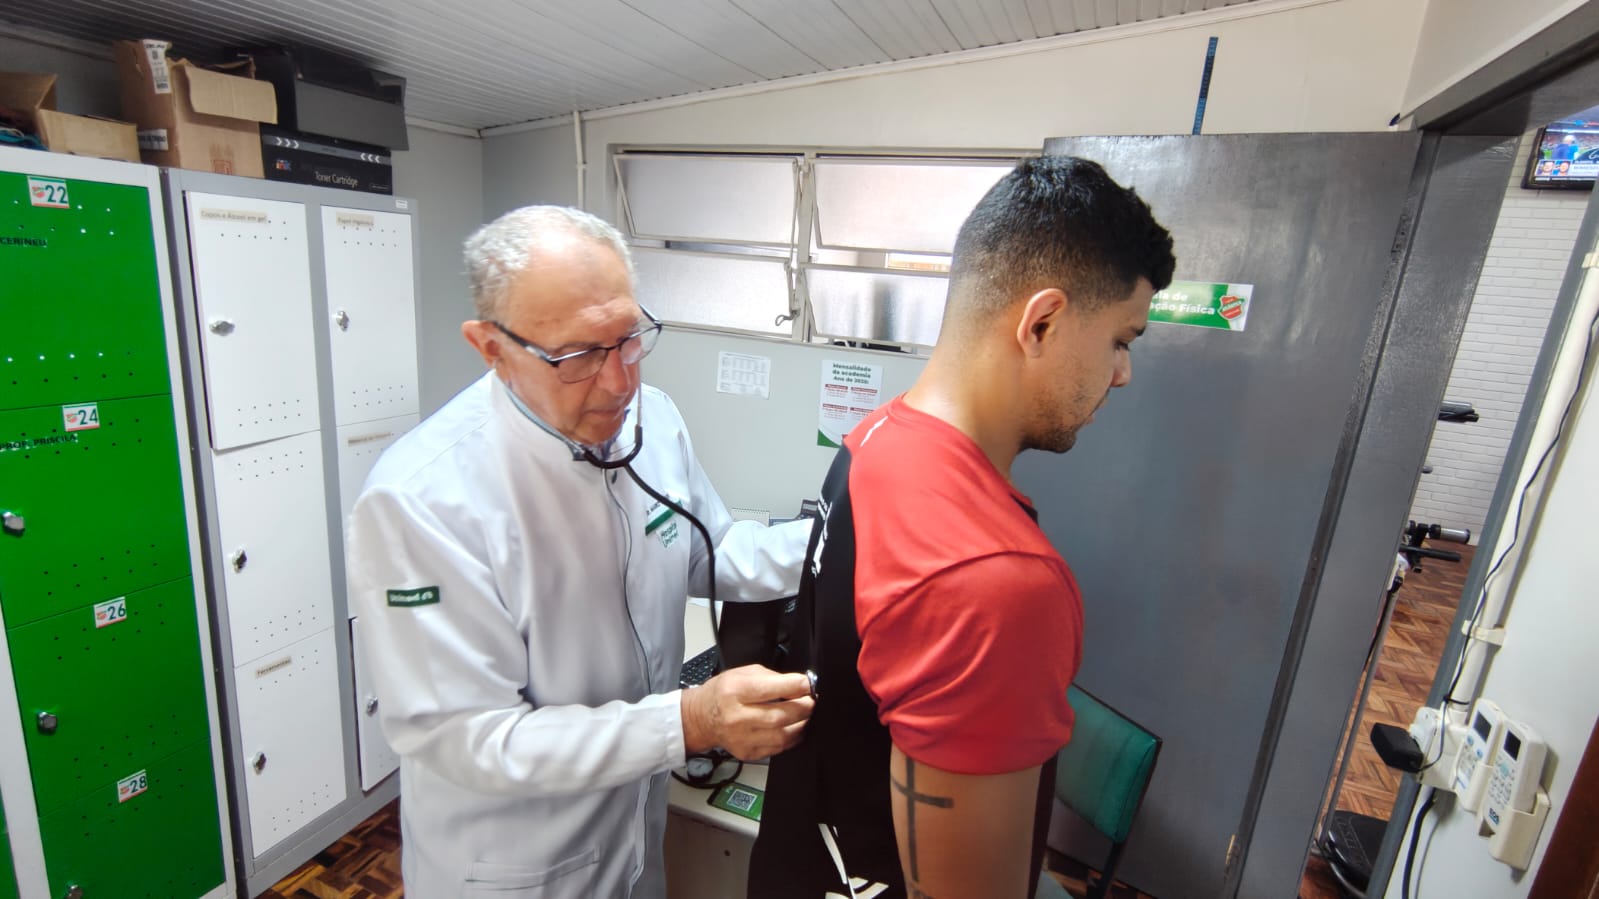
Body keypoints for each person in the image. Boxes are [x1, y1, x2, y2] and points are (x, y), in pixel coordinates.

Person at [345, 205, 816, 897]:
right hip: (517, 870)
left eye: (629, 338)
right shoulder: (421, 502)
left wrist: (835, 541)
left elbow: (709, 551)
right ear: (491, 347)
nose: (620, 381)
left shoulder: (651, 420)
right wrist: (689, 720)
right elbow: (475, 737)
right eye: (578, 356)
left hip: (634, 837)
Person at [750, 156, 1175, 899]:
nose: (1122, 373)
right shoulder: (996, 580)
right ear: (1041, 322)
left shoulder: (874, 438)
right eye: (1121, 339)